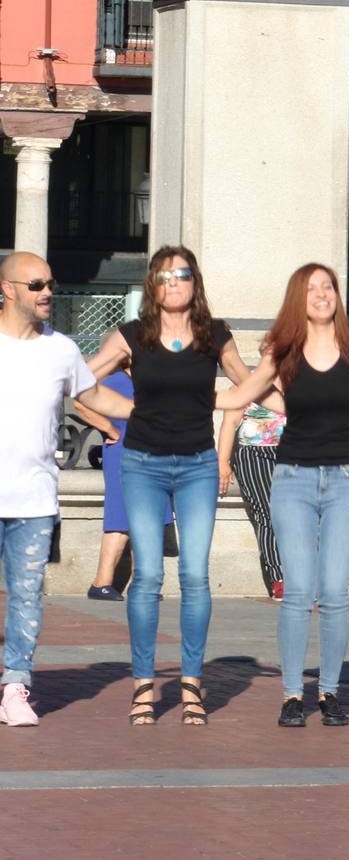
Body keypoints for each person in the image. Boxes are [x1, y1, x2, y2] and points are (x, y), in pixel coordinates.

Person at [218, 263, 349, 727]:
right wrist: (179, 396)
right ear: (298, 297)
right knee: (298, 593)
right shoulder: (284, 349)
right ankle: (293, 695)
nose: (322, 294)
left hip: (346, 481)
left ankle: (329, 692)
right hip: (292, 479)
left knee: (333, 593)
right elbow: (244, 391)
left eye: (328, 286)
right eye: (312, 289)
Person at [87, 245, 253, 726]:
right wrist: (121, 413)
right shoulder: (131, 336)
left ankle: (191, 686)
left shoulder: (214, 336)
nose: (174, 282)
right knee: (150, 577)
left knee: (196, 577)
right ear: (152, 286)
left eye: (182, 274)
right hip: (141, 463)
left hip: (199, 465)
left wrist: (288, 392)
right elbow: (79, 380)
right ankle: (143, 687)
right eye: (164, 276)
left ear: (194, 282)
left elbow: (247, 384)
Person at [0, 252, 133, 725]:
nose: (47, 292)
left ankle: (16, 686)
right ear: (8, 288)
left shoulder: (61, 349)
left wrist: (151, 413)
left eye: (50, 283)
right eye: (36, 284)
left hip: (34, 499)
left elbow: (92, 396)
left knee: (27, 596)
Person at [73, 364, 172, 602]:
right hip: (123, 453)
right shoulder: (115, 381)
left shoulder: (156, 379)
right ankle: (102, 582)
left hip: (154, 454)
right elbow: (80, 402)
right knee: (120, 518)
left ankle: (143, 584)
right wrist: (109, 429)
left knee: (150, 518)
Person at [217, 401, 287, 600]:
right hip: (254, 453)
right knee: (269, 513)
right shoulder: (248, 383)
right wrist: (223, 461)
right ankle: (279, 578)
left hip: (293, 452)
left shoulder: (295, 378)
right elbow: (230, 423)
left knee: (301, 515)